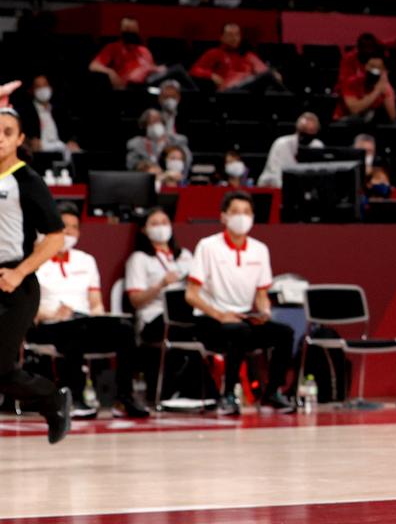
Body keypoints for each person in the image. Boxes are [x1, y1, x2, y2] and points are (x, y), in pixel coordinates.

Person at [27, 203, 149, 419]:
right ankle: (75, 396)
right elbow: (27, 308)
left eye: (74, 227)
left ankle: (124, 396)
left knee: (124, 330)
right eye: (64, 226)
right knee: (73, 332)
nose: (69, 232)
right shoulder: (35, 261)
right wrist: (51, 314)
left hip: (83, 320)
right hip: (48, 324)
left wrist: (99, 315)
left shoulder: (86, 260)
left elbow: (95, 303)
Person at [0, 101, 72, 443]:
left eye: (7, 133)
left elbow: (56, 237)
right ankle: (51, 399)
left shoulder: (26, 180)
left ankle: (52, 398)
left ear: (20, 139)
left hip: (15, 285)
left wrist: (18, 273)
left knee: (0, 369)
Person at [185, 192, 295, 415]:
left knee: (285, 333)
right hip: (210, 320)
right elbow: (191, 295)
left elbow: (262, 293)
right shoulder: (207, 246)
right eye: (235, 212)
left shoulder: (260, 249)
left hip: (244, 317)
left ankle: (273, 391)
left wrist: (264, 311)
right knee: (239, 332)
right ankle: (228, 395)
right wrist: (219, 314)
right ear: (223, 216)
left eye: (246, 212)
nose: (241, 217)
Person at [124, 209, 204, 402]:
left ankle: (199, 393)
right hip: (154, 318)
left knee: (201, 328)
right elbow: (135, 300)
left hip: (186, 313)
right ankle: (179, 391)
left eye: (164, 222)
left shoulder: (185, 255)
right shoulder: (140, 259)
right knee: (181, 331)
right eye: (155, 223)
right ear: (144, 229)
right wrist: (160, 284)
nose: (161, 227)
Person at [189, 24, 282, 92]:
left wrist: (274, 75)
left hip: (250, 91)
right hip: (229, 91)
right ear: (222, 37)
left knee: (271, 76)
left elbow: (263, 72)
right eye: (230, 35)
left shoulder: (248, 56)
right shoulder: (215, 53)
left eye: (237, 35)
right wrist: (211, 75)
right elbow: (194, 70)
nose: (234, 38)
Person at [89, 17, 166, 89]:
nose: (130, 34)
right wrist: (110, 72)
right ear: (121, 31)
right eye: (127, 30)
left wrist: (156, 69)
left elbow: (151, 68)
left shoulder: (144, 51)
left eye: (133, 31)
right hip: (124, 87)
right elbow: (93, 66)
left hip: (144, 87)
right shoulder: (113, 47)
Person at [18, 74, 79, 159]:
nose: (42, 89)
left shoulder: (59, 110)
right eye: (38, 86)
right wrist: (29, 141)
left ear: (50, 88)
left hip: (61, 148)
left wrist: (72, 141)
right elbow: (22, 134)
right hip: (41, 150)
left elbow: (69, 131)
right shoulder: (26, 111)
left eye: (45, 85)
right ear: (32, 90)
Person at [258, 113, 323, 188]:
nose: (308, 134)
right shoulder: (281, 144)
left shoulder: (317, 146)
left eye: (312, 131)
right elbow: (275, 172)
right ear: (298, 130)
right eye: (305, 130)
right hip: (272, 186)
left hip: (301, 188)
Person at [334, 55, 396, 123]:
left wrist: (387, 90)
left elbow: (393, 117)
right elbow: (354, 109)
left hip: (368, 124)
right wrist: (377, 91)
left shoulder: (384, 86)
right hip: (344, 122)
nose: (374, 71)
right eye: (372, 66)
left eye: (379, 68)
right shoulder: (351, 82)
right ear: (365, 66)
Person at [126, 108, 191, 171]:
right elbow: (131, 165)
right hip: (149, 178)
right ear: (144, 125)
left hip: (172, 177)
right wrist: (146, 167)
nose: (156, 123)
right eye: (153, 121)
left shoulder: (176, 141)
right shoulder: (136, 144)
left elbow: (187, 161)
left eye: (159, 120)